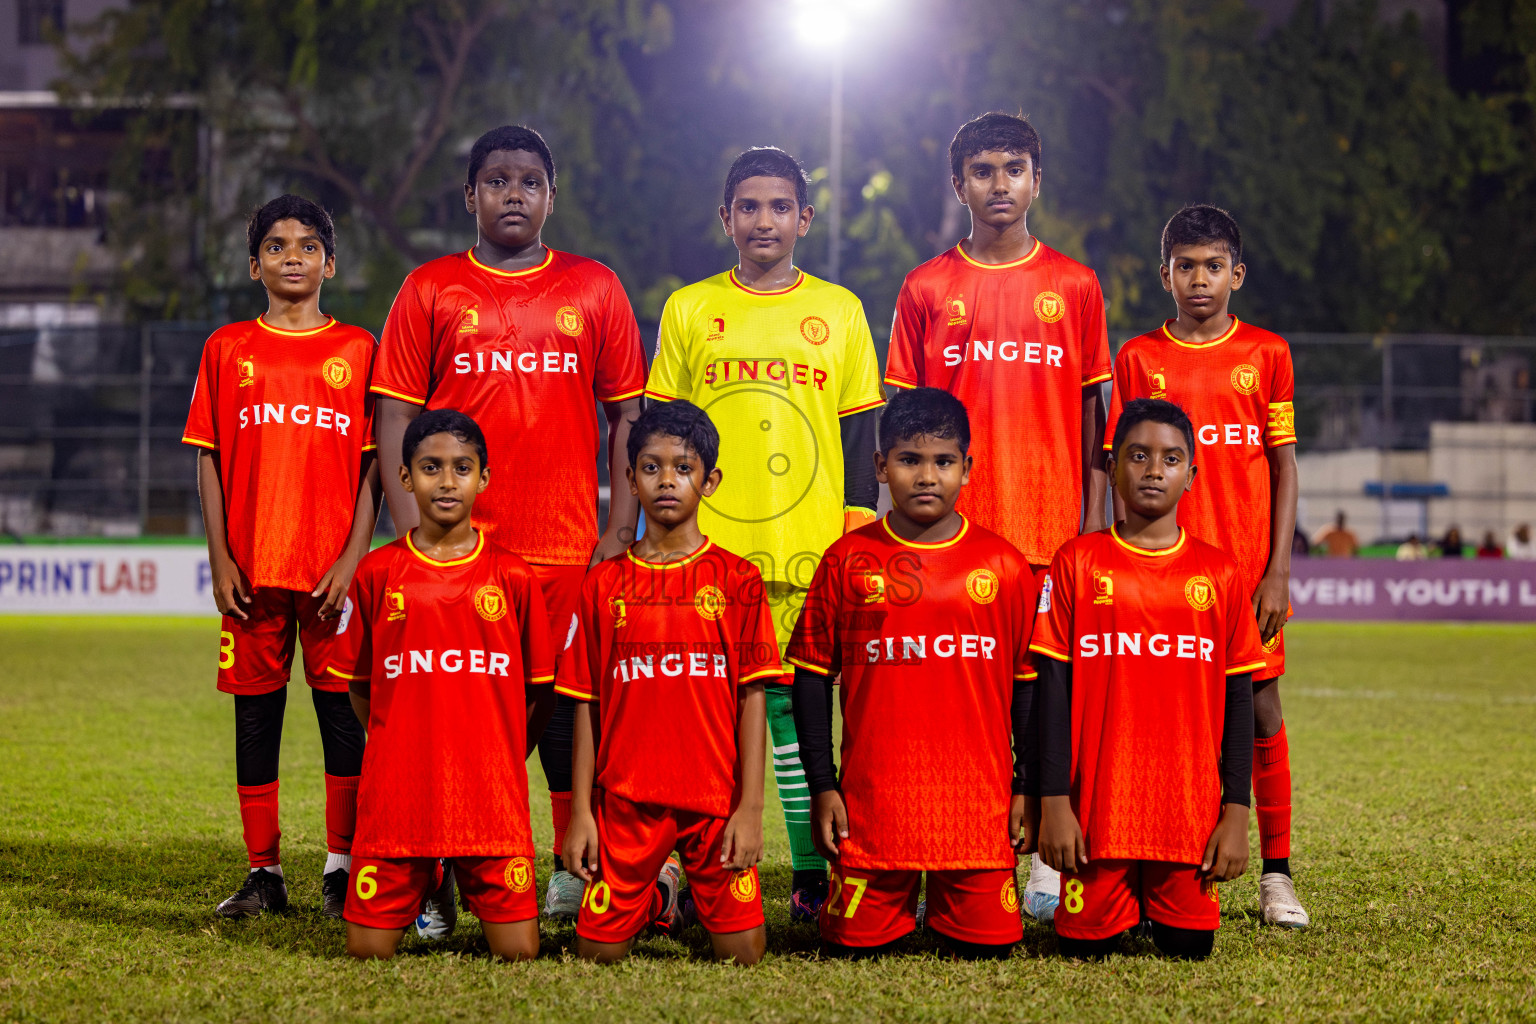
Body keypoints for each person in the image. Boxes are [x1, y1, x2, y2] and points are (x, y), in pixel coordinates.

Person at [369, 125, 648, 927]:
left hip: (563, 547)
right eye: (496, 181)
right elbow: (395, 417)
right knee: (446, 718)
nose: (513, 193)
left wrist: (617, 528)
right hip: (458, 554)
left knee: (563, 713)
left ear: (551, 196)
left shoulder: (595, 288)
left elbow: (624, 417)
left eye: (529, 180)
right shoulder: (430, 289)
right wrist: (411, 524)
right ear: (470, 196)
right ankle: (431, 878)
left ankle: (567, 867)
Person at [884, 111, 1112, 921]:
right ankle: (923, 845)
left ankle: (1045, 859)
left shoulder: (1077, 286)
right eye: (982, 171)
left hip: (1050, 534)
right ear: (959, 186)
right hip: (949, 540)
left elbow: (1095, 427)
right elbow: (905, 427)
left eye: (1013, 168)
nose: (999, 184)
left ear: (1037, 180)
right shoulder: (926, 287)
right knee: (939, 699)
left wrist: (1092, 530)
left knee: (1046, 696)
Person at [645, 146, 884, 919]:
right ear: (726, 218)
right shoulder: (688, 308)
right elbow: (662, 437)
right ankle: (684, 872)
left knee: (796, 718)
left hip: (808, 555)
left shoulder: (841, 311)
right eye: (748, 207)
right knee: (694, 717)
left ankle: (813, 877)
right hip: (703, 554)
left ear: (804, 219)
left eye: (779, 207)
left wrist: (853, 543)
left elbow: (857, 442)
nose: (764, 221)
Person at [1103, 205, 1308, 927]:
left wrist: (1277, 571)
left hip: (1243, 575)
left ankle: (1276, 874)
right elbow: (1115, 470)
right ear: (1165, 275)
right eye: (1186, 266)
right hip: (1152, 574)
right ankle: (1137, 852)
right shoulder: (1136, 359)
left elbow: (1283, 467)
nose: (1199, 279)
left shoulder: (1267, 353)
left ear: (1237, 275)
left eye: (1213, 266)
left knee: (1260, 711)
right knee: (1148, 713)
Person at [787, 387, 1038, 959]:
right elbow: (809, 680)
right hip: (874, 814)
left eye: (944, 461)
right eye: (909, 460)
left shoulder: (1003, 564)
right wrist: (823, 786)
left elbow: (1028, 686)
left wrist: (1024, 786)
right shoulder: (846, 559)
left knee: (985, 952)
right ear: (880, 466)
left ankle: (949, 898)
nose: (927, 476)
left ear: (967, 468)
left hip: (976, 815)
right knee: (856, 951)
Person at [182, 195, 378, 920]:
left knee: (341, 721)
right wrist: (220, 558)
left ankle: (341, 867)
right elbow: (207, 458)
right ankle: (264, 873)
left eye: (306, 245)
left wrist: (353, 559)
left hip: (331, 576)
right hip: (252, 572)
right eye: (274, 245)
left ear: (330, 261)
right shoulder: (227, 348)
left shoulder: (358, 350)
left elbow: (371, 469)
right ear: (254, 263)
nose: (290, 255)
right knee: (256, 722)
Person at [1034, 398, 1265, 960]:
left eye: (1170, 458)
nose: (1154, 469)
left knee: (1188, 948)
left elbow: (1240, 707)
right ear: (1113, 465)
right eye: (1138, 456)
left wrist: (1236, 813)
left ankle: (1157, 899)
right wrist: (1054, 804)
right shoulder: (1075, 563)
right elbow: (1052, 698)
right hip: (1095, 822)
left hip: (1187, 820)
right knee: (1084, 951)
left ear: (1192, 474)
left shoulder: (1220, 573)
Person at [562, 401, 778, 964]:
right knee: (595, 955)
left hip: (714, 802)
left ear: (710, 480)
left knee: (745, 955)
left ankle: (670, 893)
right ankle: (657, 892)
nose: (666, 481)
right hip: (626, 803)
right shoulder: (603, 583)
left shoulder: (738, 579)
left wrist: (750, 808)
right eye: (651, 467)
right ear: (629, 479)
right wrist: (582, 812)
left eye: (683, 468)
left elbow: (753, 696)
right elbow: (585, 702)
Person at [335, 410, 554, 962]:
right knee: (367, 952)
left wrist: (503, 753)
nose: (447, 481)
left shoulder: (514, 576)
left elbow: (540, 693)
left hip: (490, 803)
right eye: (431, 467)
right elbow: (361, 687)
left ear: (484, 478)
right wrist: (396, 741)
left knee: (519, 953)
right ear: (405, 477)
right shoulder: (377, 574)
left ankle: (451, 876)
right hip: (398, 803)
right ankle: (430, 877)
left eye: (462, 467)